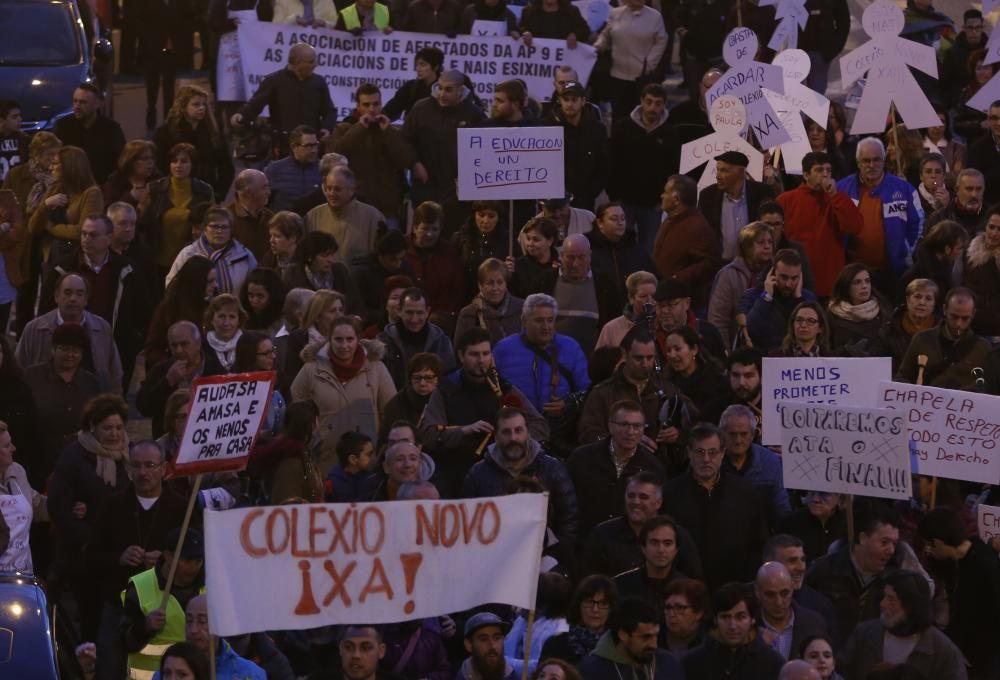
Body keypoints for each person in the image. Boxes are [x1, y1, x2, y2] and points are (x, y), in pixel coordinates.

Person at [86, 439, 186, 680]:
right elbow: (90, 557)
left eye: (150, 465)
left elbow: (194, 557)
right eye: (136, 465)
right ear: (128, 470)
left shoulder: (182, 506)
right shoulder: (111, 506)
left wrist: (165, 561)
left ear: (163, 468)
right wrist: (119, 558)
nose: (143, 472)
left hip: (165, 610)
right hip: (117, 606)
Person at [419, 328, 545, 495]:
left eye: (486, 354)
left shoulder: (503, 387)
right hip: (456, 476)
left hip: (500, 476)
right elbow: (428, 435)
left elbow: (540, 426)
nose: (481, 360)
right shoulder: (446, 389)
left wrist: (512, 439)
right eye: (474, 354)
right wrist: (464, 431)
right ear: (461, 356)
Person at [47, 394, 131, 640]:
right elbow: (59, 506)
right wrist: (87, 539)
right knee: (90, 622)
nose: (114, 434)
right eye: (107, 428)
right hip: (83, 558)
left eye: (118, 427)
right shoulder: (74, 457)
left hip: (120, 554)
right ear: (92, 427)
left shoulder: (129, 454)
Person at [38, 214, 150, 393]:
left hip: (113, 350)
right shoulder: (62, 269)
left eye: (93, 235)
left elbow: (143, 311)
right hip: (70, 349)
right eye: (83, 234)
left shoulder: (127, 270)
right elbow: (45, 310)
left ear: (109, 238)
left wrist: (133, 342)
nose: (86, 239)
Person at [661, 423, 767, 589]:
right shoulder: (670, 493)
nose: (706, 459)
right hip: (684, 588)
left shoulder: (744, 493)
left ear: (723, 453)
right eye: (700, 452)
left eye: (712, 453)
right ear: (689, 452)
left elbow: (757, 543)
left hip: (733, 588)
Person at [462, 407, 577, 548]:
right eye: (506, 432)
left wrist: (556, 556)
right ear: (496, 437)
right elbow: (468, 525)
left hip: (545, 554)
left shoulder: (553, 469)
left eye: (518, 430)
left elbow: (569, 520)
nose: (513, 438)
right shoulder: (478, 474)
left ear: (528, 433)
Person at [292, 316, 396, 468]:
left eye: (350, 339)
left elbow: (390, 411)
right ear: (329, 339)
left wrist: (381, 448)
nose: (345, 345)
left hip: (366, 463)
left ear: (358, 339)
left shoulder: (376, 369)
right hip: (324, 460)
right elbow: (299, 412)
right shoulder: (310, 370)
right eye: (338, 339)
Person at [916, 508, 1000, 677]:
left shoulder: (983, 566)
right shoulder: (956, 561)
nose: (927, 550)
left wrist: (973, 654)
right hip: (963, 651)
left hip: (980, 659)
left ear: (938, 542)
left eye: (928, 544)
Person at [839, 570, 967, 680]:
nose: (882, 604)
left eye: (891, 598)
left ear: (910, 605)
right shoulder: (864, 634)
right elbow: (840, 673)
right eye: (884, 597)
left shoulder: (943, 651)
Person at [402, 69, 487, 232]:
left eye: (448, 90)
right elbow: (404, 141)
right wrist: (414, 163)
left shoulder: (475, 115)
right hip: (424, 188)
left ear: (461, 91)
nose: (442, 94)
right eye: (439, 88)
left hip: (457, 195)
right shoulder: (421, 109)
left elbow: (482, 154)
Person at [805, 506, 904, 643]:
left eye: (894, 544)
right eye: (884, 542)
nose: (891, 550)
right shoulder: (823, 571)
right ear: (863, 538)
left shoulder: (893, 581)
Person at [837, 138, 923, 291]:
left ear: (884, 161)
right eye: (866, 161)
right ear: (858, 163)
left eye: (876, 160)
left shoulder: (904, 189)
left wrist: (906, 251)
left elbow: (918, 222)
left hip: (894, 271)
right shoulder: (841, 189)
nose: (871, 165)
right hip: (853, 272)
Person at [121, 527, 205, 680]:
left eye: (198, 561)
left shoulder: (211, 588)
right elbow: (123, 644)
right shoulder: (140, 587)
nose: (193, 567)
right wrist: (144, 628)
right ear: (167, 556)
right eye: (187, 560)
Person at [17, 272, 123, 393]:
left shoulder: (102, 329)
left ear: (86, 299)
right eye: (67, 293)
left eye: (79, 294)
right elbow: (19, 370)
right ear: (56, 296)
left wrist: (115, 405)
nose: (73, 299)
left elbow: (114, 374)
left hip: (90, 402)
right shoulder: (34, 329)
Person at [776, 151, 864, 297]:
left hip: (830, 282)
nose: (825, 175)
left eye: (828, 170)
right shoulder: (785, 200)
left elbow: (856, 227)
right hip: (793, 282)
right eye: (818, 170)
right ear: (805, 175)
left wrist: (835, 196)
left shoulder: (839, 199)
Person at [23, 323, 101, 487]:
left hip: (80, 458)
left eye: (76, 350)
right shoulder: (31, 377)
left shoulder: (91, 382)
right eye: (64, 349)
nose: (70, 355)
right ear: (53, 349)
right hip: (38, 457)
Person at [494, 293, 590, 422]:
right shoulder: (503, 349)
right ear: (524, 320)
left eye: (550, 320)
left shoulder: (570, 347)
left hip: (560, 429)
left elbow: (587, 392)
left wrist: (569, 404)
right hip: (517, 429)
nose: (546, 326)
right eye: (539, 320)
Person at [328, 84, 414, 226]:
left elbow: (405, 160)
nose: (372, 110)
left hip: (387, 210)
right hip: (355, 208)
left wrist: (388, 133)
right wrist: (359, 128)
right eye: (366, 105)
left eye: (376, 104)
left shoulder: (389, 130)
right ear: (358, 106)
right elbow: (336, 155)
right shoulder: (344, 128)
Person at [233, 44, 338, 154]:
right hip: (284, 144)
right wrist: (242, 115)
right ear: (297, 62)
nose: (315, 64)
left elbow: (329, 111)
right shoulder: (274, 80)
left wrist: (327, 128)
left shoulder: (318, 82)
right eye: (311, 61)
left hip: (311, 145)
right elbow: (256, 104)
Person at [143, 143, 216, 284]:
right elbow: (145, 223)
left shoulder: (204, 191)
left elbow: (210, 224)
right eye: (174, 161)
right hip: (158, 261)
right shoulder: (155, 189)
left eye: (184, 161)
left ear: (192, 164)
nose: (178, 165)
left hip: (191, 259)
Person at [682, 582, 786, 680]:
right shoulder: (691, 663)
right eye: (725, 617)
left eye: (740, 617)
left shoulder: (773, 664)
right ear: (715, 619)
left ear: (752, 619)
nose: (733, 626)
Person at [896, 287, 991, 389]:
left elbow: (989, 387)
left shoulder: (982, 348)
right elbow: (902, 378)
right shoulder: (921, 340)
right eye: (954, 317)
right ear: (945, 310)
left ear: (973, 314)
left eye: (965, 318)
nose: (959, 324)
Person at [138, 321, 217, 438]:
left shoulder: (215, 369)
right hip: (170, 444)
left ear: (198, 343)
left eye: (184, 344)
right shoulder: (160, 371)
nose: (179, 350)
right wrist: (167, 382)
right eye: (174, 346)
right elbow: (144, 407)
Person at [653, 174, 721, 310]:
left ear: (676, 199)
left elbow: (710, 263)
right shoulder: (671, 219)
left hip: (682, 304)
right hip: (664, 296)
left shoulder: (697, 227)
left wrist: (677, 278)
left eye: (666, 192)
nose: (662, 196)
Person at [153, 85, 233, 198]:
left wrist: (218, 194)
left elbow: (226, 167)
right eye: (196, 104)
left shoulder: (213, 133)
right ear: (183, 107)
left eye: (204, 104)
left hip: (205, 194)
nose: (201, 108)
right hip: (174, 194)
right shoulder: (166, 133)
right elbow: (159, 165)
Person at [28, 145, 103, 266]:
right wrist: (45, 206)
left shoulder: (91, 193)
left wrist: (51, 227)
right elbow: (33, 228)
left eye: (55, 163)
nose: (51, 168)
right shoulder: (55, 188)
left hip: (77, 259)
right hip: (49, 257)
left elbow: (82, 232)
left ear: (69, 166)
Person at [578, 597, 685, 680]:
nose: (654, 645)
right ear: (623, 635)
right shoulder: (591, 671)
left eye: (655, 635)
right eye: (646, 637)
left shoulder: (668, 663)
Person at [594, 4, 667, 123]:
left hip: (642, 76)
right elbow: (606, 35)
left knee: (640, 116)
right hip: (617, 75)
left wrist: (650, 63)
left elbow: (662, 40)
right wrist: (598, 46)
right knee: (618, 115)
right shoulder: (615, 13)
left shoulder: (655, 16)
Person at [697, 151, 774, 263]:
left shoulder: (762, 192)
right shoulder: (707, 196)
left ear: (741, 172)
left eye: (724, 170)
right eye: (718, 169)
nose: (718, 175)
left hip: (755, 266)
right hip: (719, 266)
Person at [720, 405, 789, 524]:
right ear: (722, 434)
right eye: (732, 434)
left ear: (752, 435)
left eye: (744, 434)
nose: (738, 440)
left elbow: (782, 510)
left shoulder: (771, 462)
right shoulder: (711, 461)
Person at [545, 82, 609, 212]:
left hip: (585, 201)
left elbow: (604, 165)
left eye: (574, 100)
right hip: (555, 200)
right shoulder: (549, 126)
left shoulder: (596, 129)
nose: (569, 104)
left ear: (583, 101)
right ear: (560, 100)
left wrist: (590, 193)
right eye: (566, 100)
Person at [166, 206, 257, 295]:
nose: (219, 231)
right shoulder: (189, 254)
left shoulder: (244, 255)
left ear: (231, 230)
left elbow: (254, 288)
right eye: (214, 226)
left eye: (224, 227)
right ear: (205, 229)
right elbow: (172, 285)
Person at [709, 221, 773, 349]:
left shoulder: (776, 273)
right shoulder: (728, 275)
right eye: (761, 242)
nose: (767, 246)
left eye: (770, 242)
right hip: (737, 350)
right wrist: (725, 354)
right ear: (747, 247)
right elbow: (718, 320)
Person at [143, 256, 216, 368]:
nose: (215, 285)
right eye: (210, 281)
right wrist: (175, 364)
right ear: (197, 282)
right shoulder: (169, 309)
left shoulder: (211, 306)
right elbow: (152, 350)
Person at [739, 249, 817, 354]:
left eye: (794, 278)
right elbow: (753, 330)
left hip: (799, 359)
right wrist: (766, 297)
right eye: (784, 277)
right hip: (764, 358)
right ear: (772, 273)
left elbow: (813, 335)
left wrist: (798, 300)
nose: (788, 284)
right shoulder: (752, 295)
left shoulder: (807, 297)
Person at [306, 166, 386, 266]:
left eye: (337, 189)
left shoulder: (373, 217)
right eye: (329, 188)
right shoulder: (313, 216)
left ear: (352, 190)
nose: (331, 193)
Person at [378, 287, 456, 389]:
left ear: (427, 312)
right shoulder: (383, 342)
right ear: (399, 311)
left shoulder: (441, 342)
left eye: (419, 313)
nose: (414, 319)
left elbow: (448, 378)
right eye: (409, 313)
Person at [404, 201, 466, 332]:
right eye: (425, 228)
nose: (430, 234)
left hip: (441, 324)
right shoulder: (401, 249)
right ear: (415, 227)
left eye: (434, 229)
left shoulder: (451, 252)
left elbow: (458, 289)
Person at [587, 203, 656, 316]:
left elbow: (652, 274)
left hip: (631, 311)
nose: (620, 223)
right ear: (600, 223)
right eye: (613, 219)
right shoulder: (589, 248)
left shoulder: (634, 247)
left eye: (623, 218)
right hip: (599, 309)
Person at [174, 595, 265, 680]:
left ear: (219, 623)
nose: (193, 630)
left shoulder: (248, 674)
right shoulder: (170, 670)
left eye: (202, 621)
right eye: (189, 621)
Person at [614, 517, 686, 622]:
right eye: (654, 543)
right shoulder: (620, 585)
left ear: (676, 550)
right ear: (643, 548)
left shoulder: (687, 588)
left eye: (667, 543)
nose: (661, 550)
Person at [0, 420, 48, 573]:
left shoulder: (18, 472)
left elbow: (38, 505)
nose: (13, 448)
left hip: (21, 577)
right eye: (7, 446)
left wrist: (68, 506)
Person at [53, 83, 125, 185]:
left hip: (101, 185)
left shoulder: (111, 129)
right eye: (75, 101)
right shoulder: (63, 126)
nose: (77, 106)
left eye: (83, 102)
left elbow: (121, 161)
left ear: (97, 104)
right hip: (70, 185)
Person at [754, 562, 827, 661]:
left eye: (784, 593)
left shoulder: (813, 623)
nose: (779, 602)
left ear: (792, 588)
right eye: (770, 595)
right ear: (757, 592)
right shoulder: (749, 628)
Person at [540, 576, 618, 665]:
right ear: (578, 605)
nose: (595, 609)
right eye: (589, 602)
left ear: (611, 608)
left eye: (603, 603)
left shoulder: (618, 648)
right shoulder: (556, 644)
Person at [282, 232, 364, 314]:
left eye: (332, 255)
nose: (330, 260)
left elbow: (356, 305)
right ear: (310, 256)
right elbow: (288, 310)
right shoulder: (293, 274)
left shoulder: (340, 270)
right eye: (325, 256)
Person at [651, 278, 726, 368]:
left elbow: (722, 369)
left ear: (687, 303)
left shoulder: (707, 332)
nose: (664, 310)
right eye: (660, 305)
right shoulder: (646, 334)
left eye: (671, 304)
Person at [663, 326, 728, 425]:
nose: (672, 355)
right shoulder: (666, 384)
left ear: (694, 349)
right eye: (668, 350)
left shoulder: (716, 382)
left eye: (677, 349)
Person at [454, 258, 524, 346]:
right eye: (490, 283)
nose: (495, 288)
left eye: (500, 282)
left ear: (506, 284)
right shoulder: (468, 314)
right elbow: (459, 351)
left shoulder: (522, 308)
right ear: (480, 285)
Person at [826, 263, 892, 356]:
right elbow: (825, 351)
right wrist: (846, 352)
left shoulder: (883, 310)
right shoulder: (832, 313)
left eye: (867, 281)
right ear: (846, 286)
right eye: (857, 282)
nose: (864, 286)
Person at [900, 219, 966, 303]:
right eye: (959, 248)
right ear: (947, 249)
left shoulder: (945, 268)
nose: (960, 252)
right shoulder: (913, 276)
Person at [880, 279, 939, 371]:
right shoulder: (889, 329)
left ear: (934, 303)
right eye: (917, 297)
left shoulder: (942, 331)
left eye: (928, 298)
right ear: (907, 299)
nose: (922, 302)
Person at [960, 208, 1000, 340]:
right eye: (991, 227)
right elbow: (957, 285)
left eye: (999, 229)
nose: (994, 233)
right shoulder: (969, 253)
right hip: (969, 326)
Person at [383, 47, 445, 121]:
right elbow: (392, 109)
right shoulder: (410, 87)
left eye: (423, 65)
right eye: (417, 65)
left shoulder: (444, 89)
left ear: (436, 67)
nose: (418, 69)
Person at [226, 169, 272, 261]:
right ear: (248, 193)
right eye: (264, 188)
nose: (269, 192)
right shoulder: (226, 219)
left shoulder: (270, 216)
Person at [457, 612, 520, 680]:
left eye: (497, 638)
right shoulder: (462, 676)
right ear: (468, 645)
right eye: (484, 639)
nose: (492, 646)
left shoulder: (512, 675)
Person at [510, 217, 560, 299]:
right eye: (528, 238)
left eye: (536, 240)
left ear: (550, 241)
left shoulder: (561, 267)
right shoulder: (518, 266)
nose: (530, 244)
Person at [923, 168, 984, 235]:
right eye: (969, 189)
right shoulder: (938, 219)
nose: (974, 195)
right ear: (957, 190)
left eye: (979, 189)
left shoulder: (992, 216)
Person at [101, 139, 159, 209]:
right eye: (145, 158)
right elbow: (109, 212)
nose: (151, 162)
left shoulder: (158, 179)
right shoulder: (114, 182)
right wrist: (131, 197)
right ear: (131, 161)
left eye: (152, 158)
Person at [240, 267, 287, 336]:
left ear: (273, 296)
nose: (254, 301)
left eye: (260, 296)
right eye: (251, 295)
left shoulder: (283, 323)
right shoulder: (241, 318)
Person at [518, 0, 590, 44]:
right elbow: (519, 29)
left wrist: (575, 34)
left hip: (566, 62)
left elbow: (585, 31)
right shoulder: (528, 12)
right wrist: (525, 32)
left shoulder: (572, 11)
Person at [262, 210, 304, 275]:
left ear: (293, 238)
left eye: (277, 236)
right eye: (271, 235)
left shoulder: (306, 261)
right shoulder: (269, 259)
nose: (271, 240)